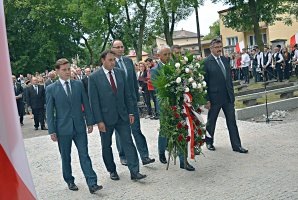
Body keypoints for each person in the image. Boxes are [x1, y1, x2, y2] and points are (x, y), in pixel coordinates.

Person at [88, 50, 147, 181]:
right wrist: (99, 121)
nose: (113, 62)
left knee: (128, 142)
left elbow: (127, 94)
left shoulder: (120, 73)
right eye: (110, 60)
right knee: (106, 145)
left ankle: (134, 171)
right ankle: (112, 170)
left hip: (122, 115)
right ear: (103, 60)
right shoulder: (94, 77)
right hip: (105, 118)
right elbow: (94, 101)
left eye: (114, 59)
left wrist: (130, 112)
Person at [46, 58, 102, 194]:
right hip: (62, 129)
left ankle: (92, 182)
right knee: (66, 156)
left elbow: (86, 104)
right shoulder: (51, 88)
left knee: (84, 155)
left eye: (68, 69)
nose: (67, 72)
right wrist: (52, 130)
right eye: (64, 70)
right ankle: (69, 180)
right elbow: (49, 110)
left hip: (79, 127)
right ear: (57, 71)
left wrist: (89, 122)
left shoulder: (78, 84)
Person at [151, 44, 195, 171]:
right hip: (164, 106)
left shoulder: (176, 67)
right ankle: (161, 151)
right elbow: (158, 89)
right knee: (164, 131)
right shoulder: (154, 70)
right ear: (158, 56)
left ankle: (183, 161)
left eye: (169, 54)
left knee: (181, 130)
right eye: (165, 54)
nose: (167, 56)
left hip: (178, 104)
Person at [111, 40, 155, 167]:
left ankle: (144, 156)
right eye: (117, 47)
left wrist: (136, 98)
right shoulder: (111, 63)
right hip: (118, 103)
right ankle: (123, 155)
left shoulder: (128, 61)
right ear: (112, 48)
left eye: (122, 47)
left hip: (131, 101)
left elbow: (133, 82)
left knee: (136, 129)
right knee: (121, 131)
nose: (120, 49)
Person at [202, 38, 248, 154]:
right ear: (211, 48)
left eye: (220, 47)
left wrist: (231, 93)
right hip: (214, 97)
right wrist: (206, 99)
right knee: (211, 121)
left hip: (228, 97)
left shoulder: (225, 59)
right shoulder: (206, 62)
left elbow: (228, 78)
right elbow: (204, 83)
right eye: (216, 47)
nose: (219, 49)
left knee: (232, 121)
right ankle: (209, 142)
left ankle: (237, 145)